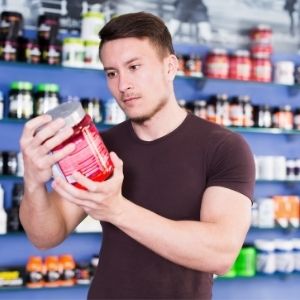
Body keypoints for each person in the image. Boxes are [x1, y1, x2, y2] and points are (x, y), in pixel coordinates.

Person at [20, 11, 255, 300]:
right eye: (112, 72)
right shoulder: (100, 147)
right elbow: (45, 236)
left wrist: (116, 209)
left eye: (134, 67)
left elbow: (220, 253)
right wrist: (32, 181)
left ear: (170, 67)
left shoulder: (224, 147)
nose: (122, 85)